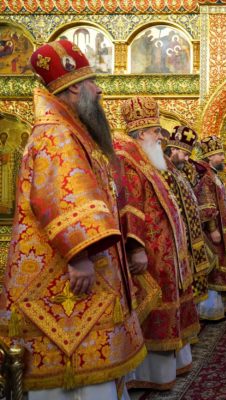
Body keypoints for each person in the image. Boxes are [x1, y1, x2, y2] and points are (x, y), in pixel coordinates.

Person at [0, 40, 145, 399]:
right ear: (75, 88)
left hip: (83, 264)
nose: (99, 90)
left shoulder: (72, 130)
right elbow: (62, 195)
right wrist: (79, 255)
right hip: (69, 271)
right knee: (79, 375)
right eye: (93, 82)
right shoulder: (57, 133)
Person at [116, 96, 199, 390]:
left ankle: (165, 370)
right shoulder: (127, 159)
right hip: (148, 251)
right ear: (141, 134)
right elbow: (129, 205)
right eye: (155, 132)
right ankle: (147, 373)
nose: (160, 137)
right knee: (151, 305)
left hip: (162, 250)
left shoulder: (146, 159)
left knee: (168, 299)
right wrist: (136, 247)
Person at [163, 125, 213, 310]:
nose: (187, 158)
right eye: (185, 154)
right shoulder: (163, 171)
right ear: (174, 149)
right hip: (178, 240)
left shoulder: (177, 171)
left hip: (191, 238)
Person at [190, 135, 226, 320]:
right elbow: (206, 205)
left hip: (223, 229)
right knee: (216, 269)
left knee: (224, 264)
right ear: (210, 157)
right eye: (220, 155)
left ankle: (223, 305)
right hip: (215, 232)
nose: (223, 158)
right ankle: (210, 310)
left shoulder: (214, 176)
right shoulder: (206, 178)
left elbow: (221, 202)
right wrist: (212, 229)